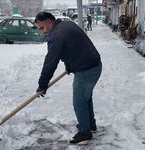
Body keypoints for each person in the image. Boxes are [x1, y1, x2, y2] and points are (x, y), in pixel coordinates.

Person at [34, 12, 102, 143]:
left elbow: (50, 63)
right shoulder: (66, 24)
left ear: (49, 22)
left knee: (79, 101)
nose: (42, 32)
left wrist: (42, 84)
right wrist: (70, 66)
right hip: (94, 65)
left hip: (86, 70)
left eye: (42, 28)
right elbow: (74, 47)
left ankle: (85, 131)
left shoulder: (56, 36)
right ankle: (89, 124)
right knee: (85, 98)